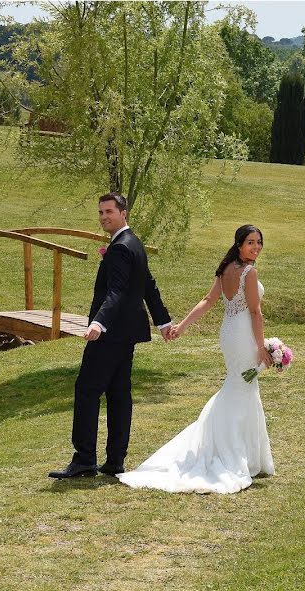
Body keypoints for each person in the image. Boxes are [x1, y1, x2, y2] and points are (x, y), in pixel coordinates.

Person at [117, 224, 275, 494]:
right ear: (239, 244)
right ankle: (233, 453)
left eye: (259, 242)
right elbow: (255, 313)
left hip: (229, 333)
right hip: (243, 335)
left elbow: (209, 300)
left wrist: (183, 326)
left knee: (240, 386)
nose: (256, 247)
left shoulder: (226, 268)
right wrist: (262, 347)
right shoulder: (249, 272)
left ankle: (245, 452)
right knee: (242, 387)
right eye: (251, 242)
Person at [48, 192, 173, 479]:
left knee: (87, 390)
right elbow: (148, 287)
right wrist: (163, 322)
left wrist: (99, 323)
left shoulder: (120, 247)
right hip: (126, 333)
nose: (104, 217)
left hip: (111, 333)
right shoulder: (134, 244)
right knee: (118, 394)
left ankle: (84, 460)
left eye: (109, 212)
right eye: (101, 212)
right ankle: (115, 460)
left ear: (123, 213)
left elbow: (117, 291)